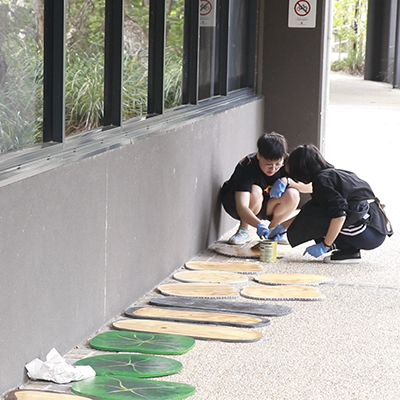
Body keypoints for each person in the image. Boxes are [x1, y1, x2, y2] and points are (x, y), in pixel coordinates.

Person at [271, 144, 393, 263]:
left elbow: (339, 215)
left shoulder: (321, 181)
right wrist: (283, 226)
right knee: (317, 213)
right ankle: (350, 251)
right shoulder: (334, 174)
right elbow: (312, 211)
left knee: (314, 225)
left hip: (367, 232)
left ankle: (344, 249)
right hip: (377, 227)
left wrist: (325, 245)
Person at [220, 132, 312, 244]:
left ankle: (273, 230)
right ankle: (243, 230)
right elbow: (241, 207)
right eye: (268, 164)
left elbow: (311, 187)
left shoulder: (288, 162)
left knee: (293, 193)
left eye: (278, 164)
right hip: (237, 204)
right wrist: (258, 225)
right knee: (255, 190)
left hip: (267, 205)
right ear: (259, 156)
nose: (273, 169)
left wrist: (287, 181)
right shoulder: (247, 166)